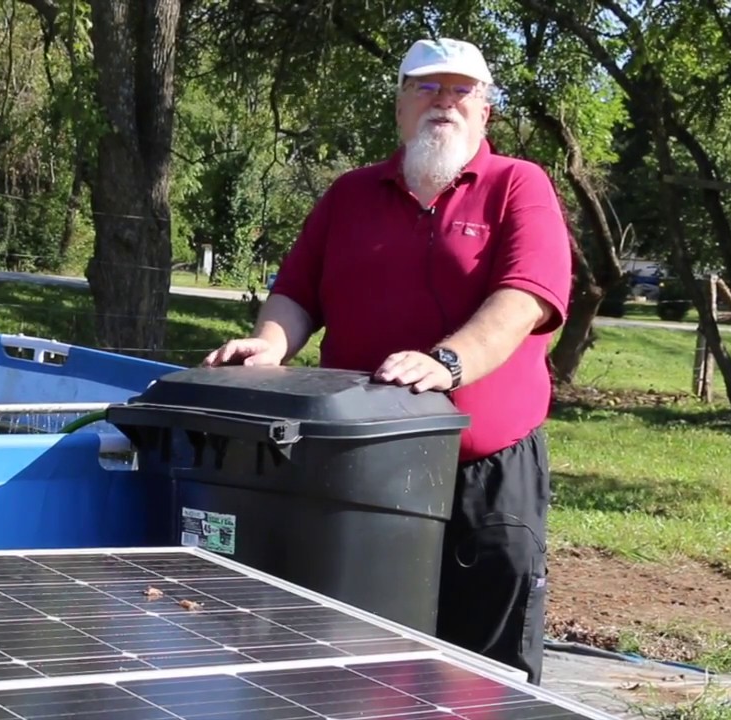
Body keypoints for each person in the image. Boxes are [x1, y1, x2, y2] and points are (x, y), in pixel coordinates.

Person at [202, 37, 572, 685]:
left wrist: (449, 363)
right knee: (351, 660)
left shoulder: (520, 186)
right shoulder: (349, 195)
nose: (444, 103)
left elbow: (525, 300)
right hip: (359, 468)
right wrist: (269, 343)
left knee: (483, 672)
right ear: (400, 105)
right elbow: (296, 292)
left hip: (484, 471)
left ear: (485, 111)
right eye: (426, 88)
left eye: (462, 91)